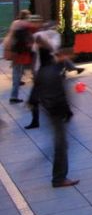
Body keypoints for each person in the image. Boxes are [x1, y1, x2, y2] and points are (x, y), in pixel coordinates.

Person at [32, 48, 79, 188]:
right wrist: (67, 111)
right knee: (61, 145)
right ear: (62, 56)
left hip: (49, 109)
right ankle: (59, 178)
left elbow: (37, 88)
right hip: (55, 112)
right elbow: (58, 96)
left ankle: (59, 177)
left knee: (60, 143)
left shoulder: (46, 69)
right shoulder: (55, 72)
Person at [8, 15, 39, 104]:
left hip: (16, 55)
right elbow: (29, 44)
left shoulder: (18, 27)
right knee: (32, 74)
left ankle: (14, 96)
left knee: (17, 76)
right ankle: (15, 97)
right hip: (22, 56)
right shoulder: (28, 29)